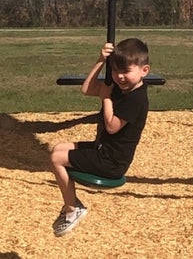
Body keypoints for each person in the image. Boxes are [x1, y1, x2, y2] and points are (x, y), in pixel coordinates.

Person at [49, 38, 151, 237]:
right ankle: (72, 203)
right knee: (58, 148)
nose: (119, 77)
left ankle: (72, 209)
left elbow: (112, 126)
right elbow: (87, 89)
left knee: (56, 159)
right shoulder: (122, 88)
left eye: (126, 72)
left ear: (144, 71)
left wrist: (106, 98)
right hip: (101, 149)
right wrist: (100, 61)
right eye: (115, 71)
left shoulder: (136, 98)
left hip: (111, 163)